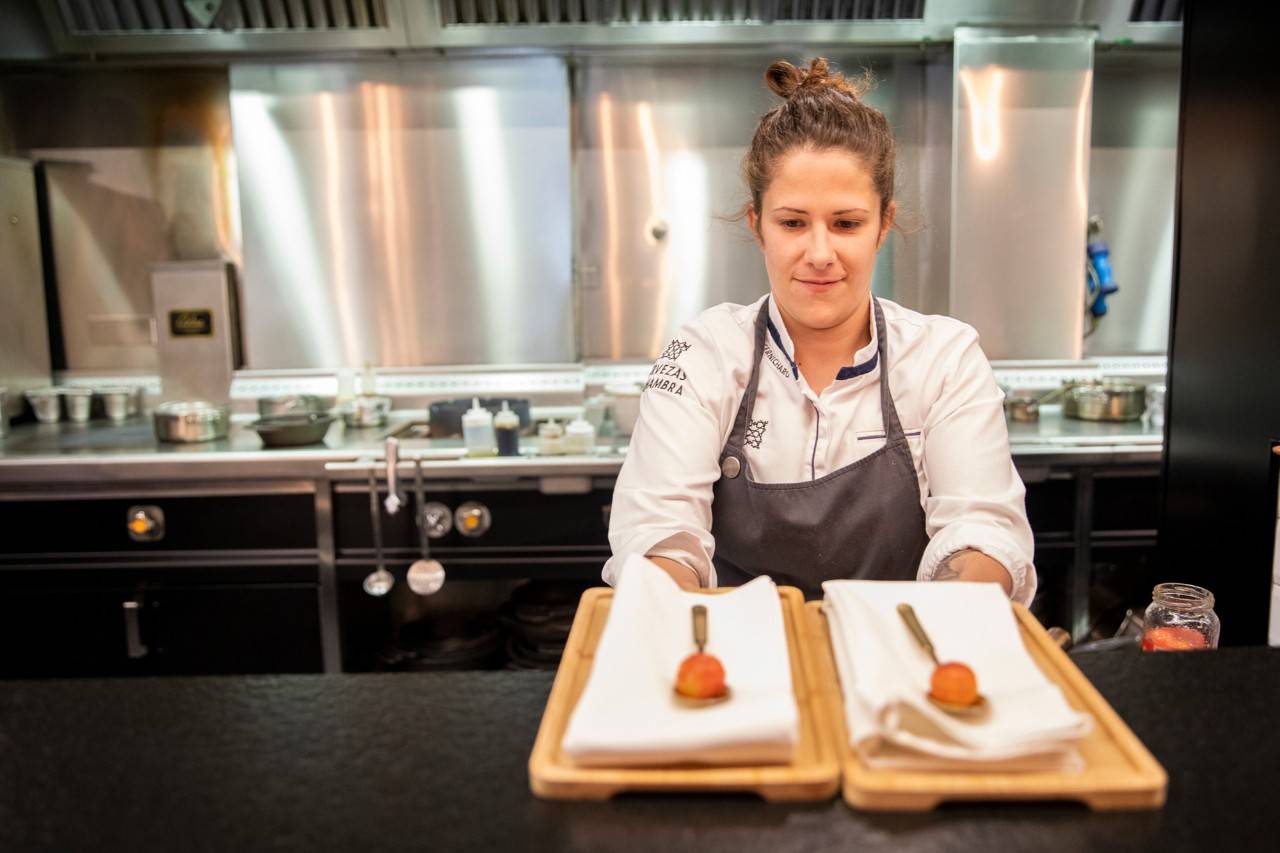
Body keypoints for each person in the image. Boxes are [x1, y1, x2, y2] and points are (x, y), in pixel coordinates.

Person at [603, 57, 1036, 605]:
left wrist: (957, 612)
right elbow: (659, 532)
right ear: (757, 224)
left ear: (883, 224)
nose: (820, 254)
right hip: (736, 663)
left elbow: (983, 532)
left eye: (847, 223)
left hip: (904, 654)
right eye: (792, 222)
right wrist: (672, 607)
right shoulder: (705, 354)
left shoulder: (945, 358)